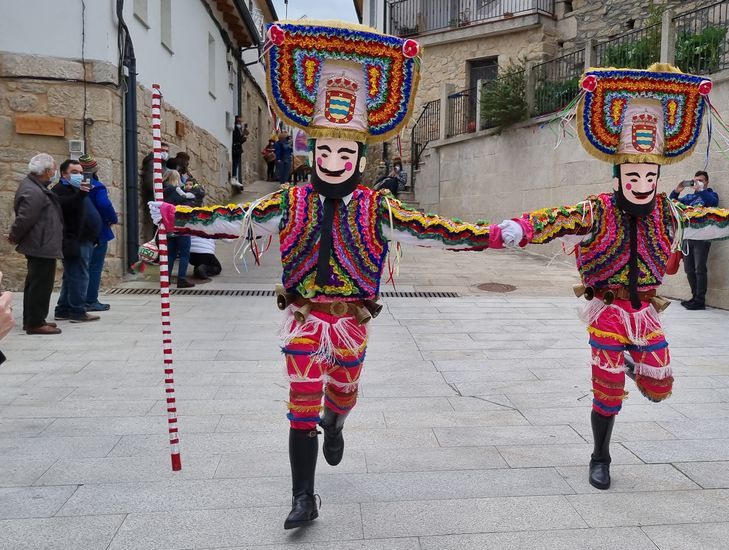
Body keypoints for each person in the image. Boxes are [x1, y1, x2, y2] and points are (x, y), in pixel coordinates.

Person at [149, 21, 513, 530]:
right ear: (313, 153)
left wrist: (492, 236)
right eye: (326, 152)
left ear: (359, 157)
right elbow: (237, 220)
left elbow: (436, 230)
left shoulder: (377, 207)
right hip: (302, 317)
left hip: (351, 322)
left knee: (342, 391)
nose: (336, 161)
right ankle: (303, 497)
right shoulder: (291, 200)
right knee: (299, 405)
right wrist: (176, 217)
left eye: (346, 153)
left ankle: (336, 421)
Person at [498, 64, 729, 491]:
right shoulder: (599, 209)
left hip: (645, 308)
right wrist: (518, 228)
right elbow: (557, 218)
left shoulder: (666, 210)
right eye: (633, 175)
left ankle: (629, 360)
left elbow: (705, 219)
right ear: (619, 176)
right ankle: (600, 455)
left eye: (649, 176)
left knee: (660, 387)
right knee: (607, 392)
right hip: (607, 307)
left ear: (659, 177)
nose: (642, 183)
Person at [7, 153, 64, 335]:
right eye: (53, 169)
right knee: (40, 284)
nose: (54, 172)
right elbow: (25, 218)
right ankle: (35, 323)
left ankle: (34, 319)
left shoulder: (35, 186)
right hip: (40, 244)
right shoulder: (33, 190)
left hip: (42, 243)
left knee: (36, 282)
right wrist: (14, 236)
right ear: (47, 172)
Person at [52, 159, 101, 323]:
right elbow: (64, 206)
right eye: (74, 172)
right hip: (74, 239)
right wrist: (81, 194)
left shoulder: (77, 189)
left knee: (71, 275)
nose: (79, 176)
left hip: (85, 238)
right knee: (79, 275)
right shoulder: (60, 190)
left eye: (81, 173)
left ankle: (63, 308)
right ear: (64, 174)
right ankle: (78, 311)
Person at [670, 170, 719, 310]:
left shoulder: (710, 194)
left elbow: (713, 203)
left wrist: (702, 190)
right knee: (689, 269)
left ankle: (700, 300)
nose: (698, 182)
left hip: (702, 237)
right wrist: (676, 191)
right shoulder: (689, 197)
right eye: (695, 180)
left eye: (701, 180)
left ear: (706, 182)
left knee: (699, 269)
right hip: (687, 236)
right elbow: (673, 205)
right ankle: (694, 296)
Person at [78, 155, 117, 312]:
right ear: (94, 170)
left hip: (77, 231)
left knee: (78, 268)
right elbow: (104, 204)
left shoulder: (73, 185)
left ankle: (77, 300)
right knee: (94, 267)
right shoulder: (97, 187)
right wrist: (112, 218)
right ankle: (91, 300)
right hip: (98, 231)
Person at [161, 170, 196, 288]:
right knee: (184, 254)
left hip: (168, 226)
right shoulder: (178, 192)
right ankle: (181, 279)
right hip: (181, 224)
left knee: (170, 254)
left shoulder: (161, 192)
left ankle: (167, 279)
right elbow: (189, 204)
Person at [141, 142, 169, 242]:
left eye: (167, 151)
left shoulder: (162, 164)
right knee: (155, 228)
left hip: (159, 199)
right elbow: (150, 182)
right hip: (155, 199)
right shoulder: (153, 163)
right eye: (163, 150)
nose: (165, 153)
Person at [232, 115, 249, 184]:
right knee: (235, 163)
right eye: (239, 121)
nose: (240, 123)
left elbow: (241, 140)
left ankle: (235, 177)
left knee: (236, 164)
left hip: (238, 149)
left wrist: (244, 136)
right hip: (236, 148)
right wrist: (244, 135)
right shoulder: (235, 128)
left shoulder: (239, 129)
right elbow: (238, 139)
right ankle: (233, 177)